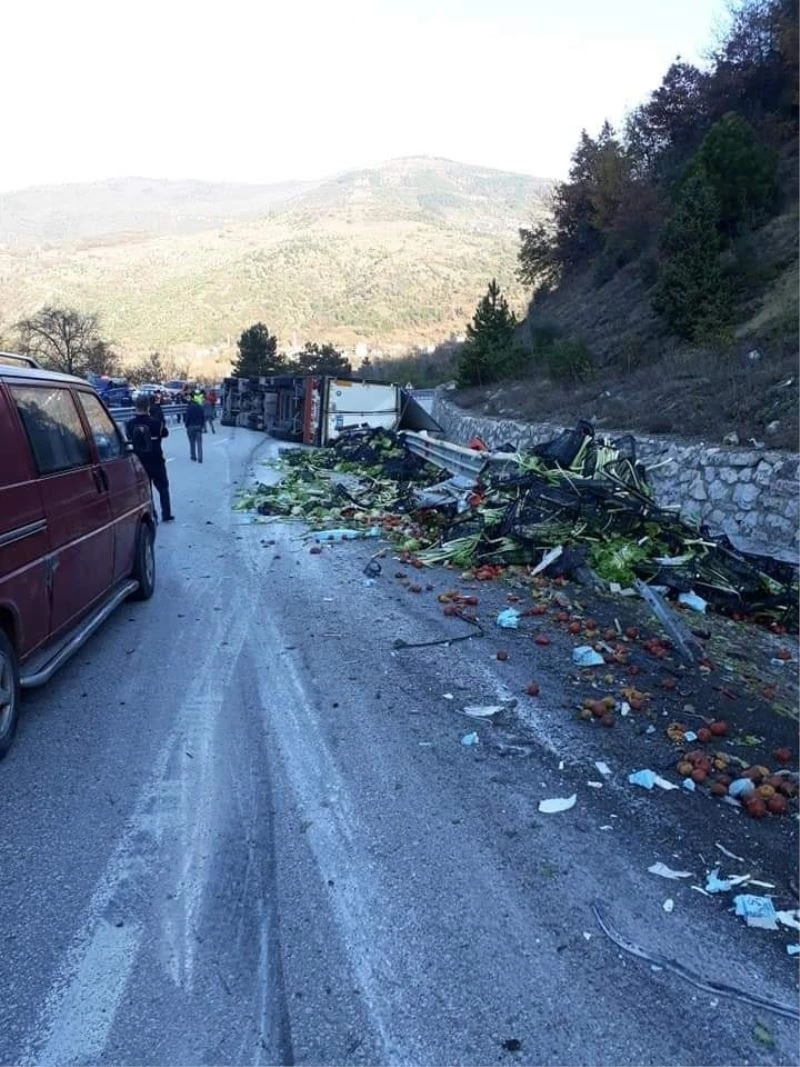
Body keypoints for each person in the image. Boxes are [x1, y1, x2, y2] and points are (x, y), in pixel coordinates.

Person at [126, 395, 175, 521]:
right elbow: (165, 433)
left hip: (140, 462)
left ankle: (152, 514)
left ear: (135, 407)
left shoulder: (130, 424)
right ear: (148, 406)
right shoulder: (156, 423)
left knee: (145, 490)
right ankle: (166, 514)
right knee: (163, 488)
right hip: (156, 460)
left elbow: (128, 437)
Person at [184, 394, 205, 462]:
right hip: (198, 426)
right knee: (199, 443)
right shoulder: (200, 407)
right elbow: (202, 417)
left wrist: (186, 425)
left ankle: (193, 456)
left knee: (192, 442)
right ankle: (200, 458)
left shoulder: (189, 407)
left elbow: (187, 418)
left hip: (191, 426)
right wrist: (202, 425)